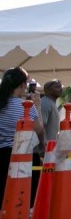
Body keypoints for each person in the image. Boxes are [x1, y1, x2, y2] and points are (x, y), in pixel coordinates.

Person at [0, 67, 45, 206]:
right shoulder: (26, 106)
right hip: (21, 155)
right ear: (22, 85)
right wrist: (37, 106)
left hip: (2, 154)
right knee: (22, 198)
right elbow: (39, 129)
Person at [39, 80, 63, 157]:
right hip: (43, 150)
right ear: (48, 90)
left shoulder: (52, 103)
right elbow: (40, 127)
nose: (61, 89)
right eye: (57, 87)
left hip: (50, 149)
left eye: (61, 87)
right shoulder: (45, 103)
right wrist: (42, 147)